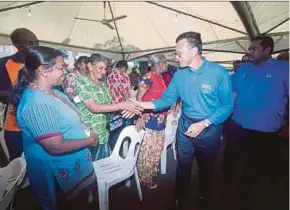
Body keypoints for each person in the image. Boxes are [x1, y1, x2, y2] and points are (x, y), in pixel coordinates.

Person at [125, 31, 233, 209]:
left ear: (194, 51)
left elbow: (227, 105)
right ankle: (179, 198)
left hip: (209, 129)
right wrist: (140, 105)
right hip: (185, 126)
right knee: (183, 166)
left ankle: (203, 197)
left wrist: (205, 123)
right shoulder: (180, 75)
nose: (176, 57)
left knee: (206, 168)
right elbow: (166, 99)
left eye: (178, 52)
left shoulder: (219, 73)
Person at [12, 46, 98, 210]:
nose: (64, 72)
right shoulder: (36, 103)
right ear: (43, 70)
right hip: (55, 172)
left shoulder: (53, 92)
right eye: (61, 67)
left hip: (70, 165)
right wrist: (89, 140)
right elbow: (54, 146)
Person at [222, 35, 289, 210]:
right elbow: (226, 89)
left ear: (268, 50)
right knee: (234, 164)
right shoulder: (244, 69)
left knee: (258, 169)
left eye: (254, 48)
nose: (250, 51)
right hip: (238, 125)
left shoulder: (284, 69)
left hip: (266, 130)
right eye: (250, 48)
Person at [75, 54, 142, 160]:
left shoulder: (103, 85)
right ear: (89, 65)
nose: (104, 72)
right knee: (93, 166)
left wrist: (131, 109)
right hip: (91, 135)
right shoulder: (82, 83)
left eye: (105, 68)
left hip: (104, 132)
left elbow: (110, 106)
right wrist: (121, 105)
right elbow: (94, 107)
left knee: (103, 165)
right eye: (100, 68)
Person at [0, 28, 39, 161]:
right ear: (18, 45)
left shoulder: (38, 63)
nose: (35, 46)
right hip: (14, 127)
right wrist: (19, 94)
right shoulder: (4, 64)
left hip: (37, 126)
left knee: (37, 164)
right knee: (17, 166)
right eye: (31, 43)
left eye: (36, 42)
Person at [135, 54, 168, 189]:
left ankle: (150, 173)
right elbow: (138, 97)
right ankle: (145, 178)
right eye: (165, 62)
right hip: (149, 120)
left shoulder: (160, 78)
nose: (167, 65)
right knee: (148, 150)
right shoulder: (149, 77)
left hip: (159, 120)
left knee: (156, 149)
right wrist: (140, 116)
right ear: (159, 64)